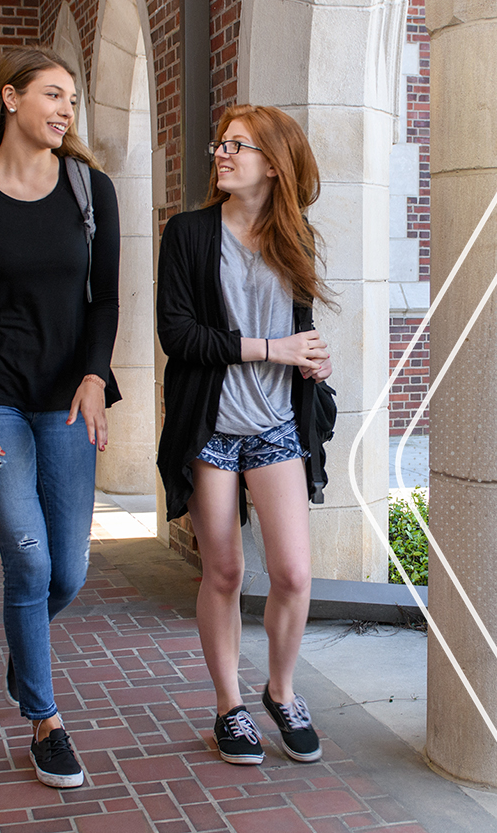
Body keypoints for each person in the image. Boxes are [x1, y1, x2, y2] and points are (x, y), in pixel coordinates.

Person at [0, 47, 120, 789]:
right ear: (10, 99)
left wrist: (98, 375)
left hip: (69, 396)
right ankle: (44, 716)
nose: (66, 109)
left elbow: (107, 298)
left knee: (67, 568)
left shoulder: (89, 189)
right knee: (30, 558)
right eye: (52, 94)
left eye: (72, 98)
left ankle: (24, 638)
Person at [156, 105, 335, 766]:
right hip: (209, 425)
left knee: (292, 570)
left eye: (239, 145)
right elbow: (177, 335)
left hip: (277, 424)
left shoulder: (297, 238)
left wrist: (314, 357)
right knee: (225, 569)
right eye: (221, 141)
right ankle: (229, 704)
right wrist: (275, 348)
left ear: (274, 163)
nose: (222, 153)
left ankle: (281, 692)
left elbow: (301, 334)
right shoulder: (190, 234)